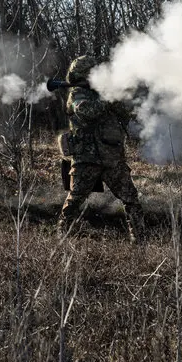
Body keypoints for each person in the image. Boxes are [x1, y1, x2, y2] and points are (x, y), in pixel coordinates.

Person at [56, 55, 146, 242]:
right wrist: (107, 98)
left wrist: (118, 98)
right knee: (74, 201)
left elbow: (126, 116)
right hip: (87, 159)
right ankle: (62, 237)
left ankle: (139, 240)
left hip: (112, 158)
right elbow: (87, 112)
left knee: (131, 199)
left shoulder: (103, 93)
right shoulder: (76, 94)